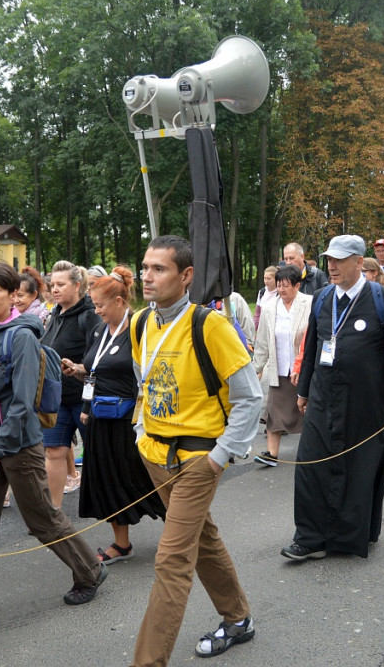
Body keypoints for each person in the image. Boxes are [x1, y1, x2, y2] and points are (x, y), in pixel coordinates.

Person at [0, 261, 106, 641]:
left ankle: (90, 571)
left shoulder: (21, 336)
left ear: (14, 296)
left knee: (42, 520)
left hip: (18, 449)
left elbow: (22, 403)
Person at [129, 235, 261, 665]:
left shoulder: (211, 325)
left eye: (159, 269)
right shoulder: (139, 324)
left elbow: (250, 397)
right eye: (145, 267)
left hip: (196, 462)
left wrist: (220, 456)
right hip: (155, 457)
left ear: (186, 276)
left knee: (171, 560)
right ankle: (238, 618)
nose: (147, 276)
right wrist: (139, 432)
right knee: (202, 539)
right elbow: (143, 386)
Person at [284, 234, 384, 561]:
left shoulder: (382, 298)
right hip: (324, 398)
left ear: (359, 261)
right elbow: (313, 347)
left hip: (367, 401)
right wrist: (303, 391)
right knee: (311, 466)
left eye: (340, 260)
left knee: (358, 467)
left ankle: (351, 536)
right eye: (329, 259)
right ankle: (309, 537)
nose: (332, 265)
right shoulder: (323, 297)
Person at [60, 266, 166, 563]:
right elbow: (94, 371)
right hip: (101, 421)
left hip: (131, 422)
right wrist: (79, 372)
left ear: (119, 302)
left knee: (147, 480)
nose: (97, 310)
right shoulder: (99, 330)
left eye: (101, 305)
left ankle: (185, 533)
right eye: (94, 305)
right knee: (108, 482)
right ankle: (122, 544)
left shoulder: (140, 328)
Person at [40, 261, 101, 505]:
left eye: (60, 285)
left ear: (77, 285)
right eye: (52, 285)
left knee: (97, 455)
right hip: (57, 398)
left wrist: (77, 368)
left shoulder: (89, 315)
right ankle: (53, 512)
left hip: (85, 398)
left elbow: (98, 356)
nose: (54, 289)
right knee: (54, 452)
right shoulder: (55, 313)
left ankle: (105, 507)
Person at [252, 265, 312, 467]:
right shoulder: (270, 308)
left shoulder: (309, 303)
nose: (281, 290)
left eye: (286, 286)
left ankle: (314, 450)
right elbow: (262, 342)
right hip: (279, 370)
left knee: (309, 412)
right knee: (274, 412)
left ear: (297, 285)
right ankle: (271, 453)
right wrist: (257, 368)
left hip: (304, 369)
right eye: (279, 285)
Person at [253, 265, 279, 332]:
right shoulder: (262, 292)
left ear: (276, 279)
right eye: (265, 278)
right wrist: (255, 329)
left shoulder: (280, 293)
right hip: (262, 328)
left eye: (269, 279)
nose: (266, 281)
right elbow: (257, 313)